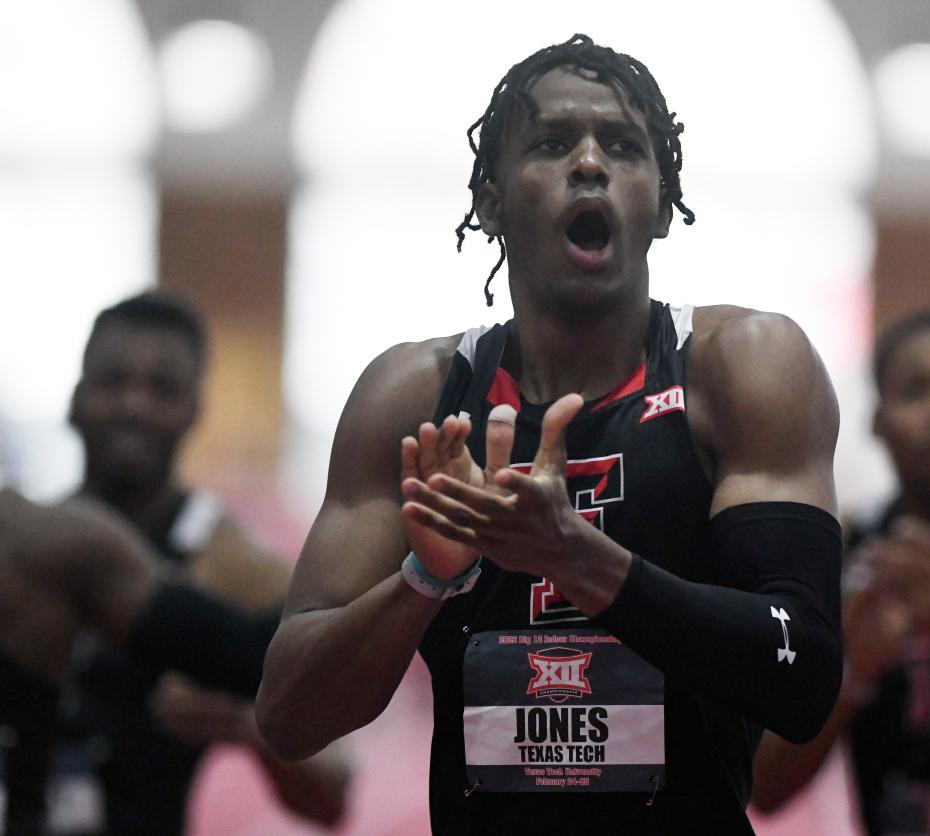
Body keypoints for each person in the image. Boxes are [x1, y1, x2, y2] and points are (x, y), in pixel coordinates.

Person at [256, 33, 843, 835]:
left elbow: (804, 674)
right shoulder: (416, 396)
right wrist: (424, 582)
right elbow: (289, 717)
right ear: (491, 201)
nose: (592, 163)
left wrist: (573, 556)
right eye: (553, 142)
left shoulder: (743, 368)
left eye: (625, 146)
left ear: (663, 203)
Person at [53, 290, 350, 835]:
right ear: (75, 398)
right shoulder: (29, 545)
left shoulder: (233, 565)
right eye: (113, 381)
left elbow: (333, 792)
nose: (134, 405)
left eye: (161, 388)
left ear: (194, 408)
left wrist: (245, 728)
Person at [752, 309, 930, 836]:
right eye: (916, 390)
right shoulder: (845, 558)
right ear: (876, 421)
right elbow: (766, 788)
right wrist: (853, 674)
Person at [0, 486, 276, 836]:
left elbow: (260, 659)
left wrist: (243, 723)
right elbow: (262, 656)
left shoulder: (49, 543)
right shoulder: (50, 542)